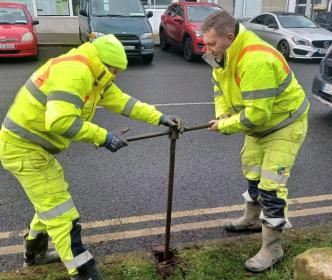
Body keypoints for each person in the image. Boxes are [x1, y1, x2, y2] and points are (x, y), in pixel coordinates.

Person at [0, 34, 184, 280]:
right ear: (103, 64)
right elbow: (60, 121)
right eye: (115, 71)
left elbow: (123, 102)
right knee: (62, 215)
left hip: (32, 147)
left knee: (50, 203)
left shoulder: (94, 73)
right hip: (23, 148)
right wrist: (104, 137)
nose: (116, 76)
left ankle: (35, 255)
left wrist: (159, 117)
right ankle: (83, 273)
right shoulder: (74, 72)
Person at [202, 11, 309, 272]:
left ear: (229, 37)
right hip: (258, 126)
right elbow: (219, 87)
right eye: (205, 42)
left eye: (211, 43)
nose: (207, 48)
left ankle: (273, 248)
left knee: (271, 187)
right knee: (251, 171)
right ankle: (251, 219)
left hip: (283, 125)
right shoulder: (223, 54)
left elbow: (258, 114)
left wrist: (225, 125)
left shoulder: (255, 58)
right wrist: (222, 113)